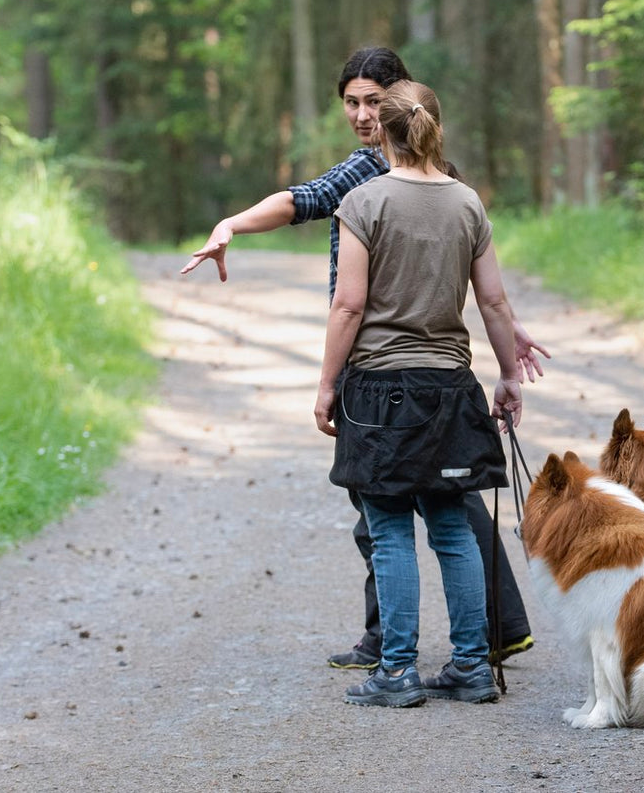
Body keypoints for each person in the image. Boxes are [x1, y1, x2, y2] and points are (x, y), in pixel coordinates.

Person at [181, 46, 543, 669]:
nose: (361, 113)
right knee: (448, 508)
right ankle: (481, 642)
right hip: (441, 372)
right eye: (350, 101)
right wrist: (507, 353)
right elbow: (487, 290)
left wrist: (326, 383)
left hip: (375, 371)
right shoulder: (455, 188)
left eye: (374, 101)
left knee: (389, 515)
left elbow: (338, 276)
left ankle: (398, 651)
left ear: (404, 102)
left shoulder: (375, 184)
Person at [314, 79, 521, 707]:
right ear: (434, 126)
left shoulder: (365, 200)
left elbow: (348, 303)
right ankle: (470, 666)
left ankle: (398, 671)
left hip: (379, 390)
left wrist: (327, 384)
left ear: (386, 128)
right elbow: (492, 300)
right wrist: (509, 376)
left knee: (390, 530)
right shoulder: (467, 203)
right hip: (451, 387)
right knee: (453, 528)